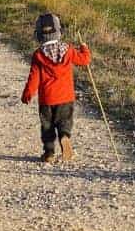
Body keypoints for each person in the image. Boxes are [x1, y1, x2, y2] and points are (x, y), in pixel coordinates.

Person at [21, 12, 92, 163]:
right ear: (59, 31)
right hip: (65, 97)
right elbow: (84, 60)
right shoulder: (68, 49)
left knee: (47, 126)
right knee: (64, 121)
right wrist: (84, 48)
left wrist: (27, 94)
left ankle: (49, 153)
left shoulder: (38, 55)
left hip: (47, 99)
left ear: (38, 34)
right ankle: (65, 136)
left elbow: (34, 78)